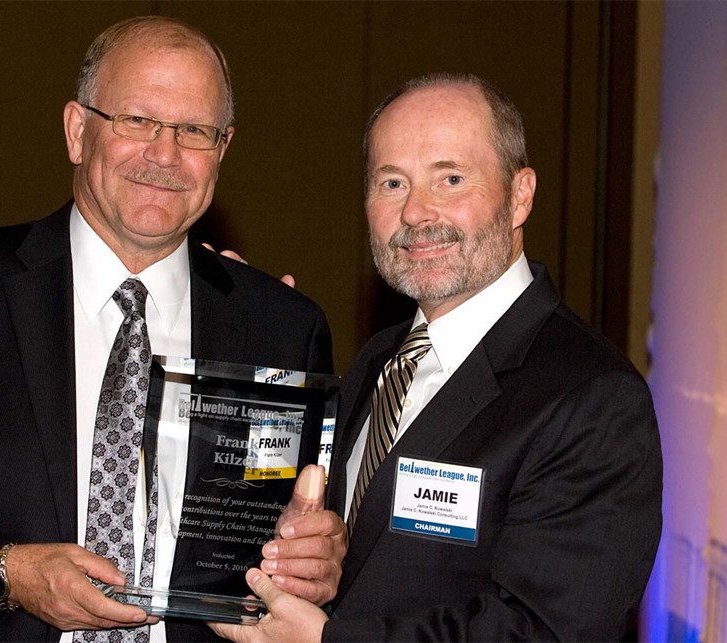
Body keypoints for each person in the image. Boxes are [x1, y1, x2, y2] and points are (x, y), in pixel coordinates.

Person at [0, 16, 343, 643]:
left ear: (222, 149)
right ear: (77, 130)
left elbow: (289, 529)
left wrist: (313, 559)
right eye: (137, 120)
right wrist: (5, 570)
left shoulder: (282, 326)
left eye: (193, 130)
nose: (164, 154)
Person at [211, 73, 662, 642]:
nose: (417, 213)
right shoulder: (381, 359)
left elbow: (542, 631)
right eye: (392, 182)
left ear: (520, 195)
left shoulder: (592, 399)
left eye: (450, 178)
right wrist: (250, 350)